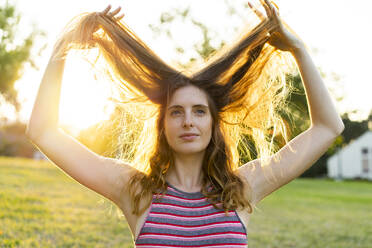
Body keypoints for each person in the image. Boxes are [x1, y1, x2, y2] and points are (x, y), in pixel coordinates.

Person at [26, 0, 345, 247]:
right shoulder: (135, 190)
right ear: (162, 124)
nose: (188, 121)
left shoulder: (242, 188)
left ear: (213, 123)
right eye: (176, 112)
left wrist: (299, 50)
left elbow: (327, 128)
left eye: (199, 111)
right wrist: (61, 49)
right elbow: (43, 132)